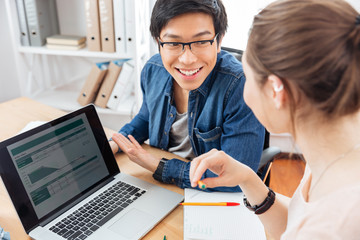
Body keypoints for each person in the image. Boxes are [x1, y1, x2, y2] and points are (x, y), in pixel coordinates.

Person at [190, 0, 360, 238]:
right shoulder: (334, 149)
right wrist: (248, 179)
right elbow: (296, 222)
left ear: (275, 90)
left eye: (247, 77)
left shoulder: (335, 226)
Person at [110, 0, 265, 192]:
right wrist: (114, 144)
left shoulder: (240, 85)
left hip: (208, 194)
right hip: (161, 186)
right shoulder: (153, 69)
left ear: (219, 41)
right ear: (159, 44)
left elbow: (234, 180)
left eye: (201, 41)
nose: (187, 59)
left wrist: (157, 165)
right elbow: (145, 118)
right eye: (174, 43)